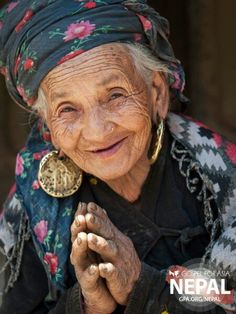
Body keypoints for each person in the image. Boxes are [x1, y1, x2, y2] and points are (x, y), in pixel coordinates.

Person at [0, 0, 235, 313]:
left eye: (115, 95)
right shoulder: (33, 202)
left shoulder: (214, 173)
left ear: (157, 94)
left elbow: (226, 292)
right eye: (68, 109)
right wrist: (87, 304)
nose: (97, 131)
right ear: (48, 127)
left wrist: (146, 286)